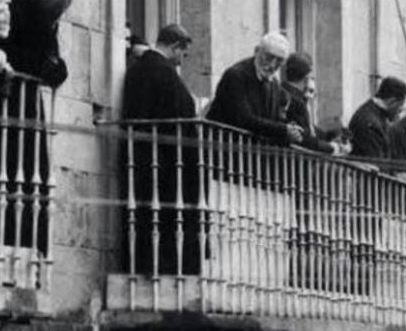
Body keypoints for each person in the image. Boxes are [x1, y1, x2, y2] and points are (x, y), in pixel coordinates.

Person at [0, 0, 73, 253]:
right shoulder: (3, 22)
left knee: (30, 185)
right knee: (3, 180)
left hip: (28, 114)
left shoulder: (43, 29)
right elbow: (19, 60)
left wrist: (51, 66)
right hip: (3, 112)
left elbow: (56, 69)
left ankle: (29, 249)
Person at [120, 24, 203, 275]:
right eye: (183, 54)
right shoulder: (162, 72)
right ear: (175, 47)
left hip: (146, 158)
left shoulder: (139, 68)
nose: (182, 60)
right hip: (166, 161)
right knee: (165, 219)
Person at [205, 32, 300, 145]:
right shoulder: (236, 75)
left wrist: (292, 129)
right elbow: (244, 118)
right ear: (257, 51)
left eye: (279, 61)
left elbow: (273, 119)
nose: (273, 65)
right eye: (269, 57)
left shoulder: (274, 84)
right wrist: (283, 129)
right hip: (223, 150)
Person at [347, 76, 406, 163]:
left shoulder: (374, 113)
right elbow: (376, 162)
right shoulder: (370, 123)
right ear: (392, 102)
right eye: (400, 106)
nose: (401, 111)